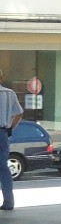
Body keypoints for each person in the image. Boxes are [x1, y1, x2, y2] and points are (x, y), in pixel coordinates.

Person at [0, 68, 25, 211]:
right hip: (3, 132)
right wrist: (10, 128)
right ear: (1, 78)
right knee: (3, 167)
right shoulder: (10, 93)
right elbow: (19, 113)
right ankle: (9, 202)